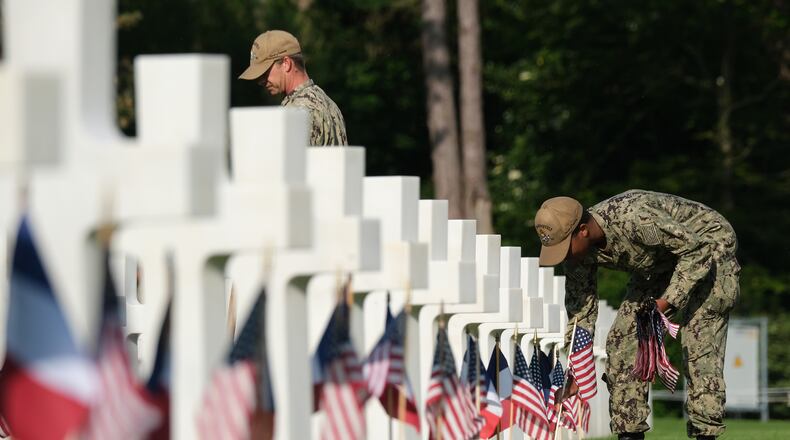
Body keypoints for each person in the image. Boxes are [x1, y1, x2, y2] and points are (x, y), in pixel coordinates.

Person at [534, 190, 739, 440]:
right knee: (623, 343)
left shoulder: (636, 218)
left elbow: (695, 251)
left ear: (583, 230)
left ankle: (705, 433)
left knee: (699, 343)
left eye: (564, 247)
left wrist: (667, 302)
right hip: (658, 264)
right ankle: (629, 433)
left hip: (708, 245)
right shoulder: (577, 255)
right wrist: (576, 368)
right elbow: (581, 311)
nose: (564, 256)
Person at [239, 30, 348, 147]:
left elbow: (289, 164)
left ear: (286, 63)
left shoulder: (296, 113)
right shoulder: (329, 104)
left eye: (264, 73)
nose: (261, 81)